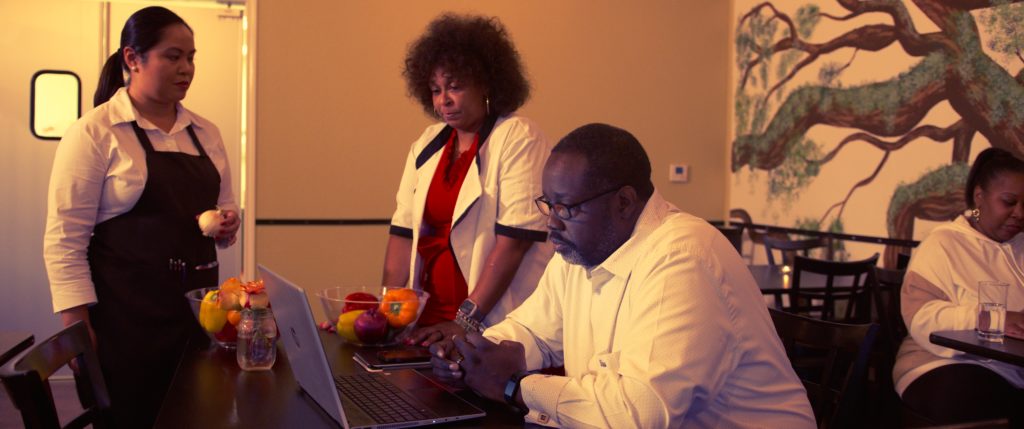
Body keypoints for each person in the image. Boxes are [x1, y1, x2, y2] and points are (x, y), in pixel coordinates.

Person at [429, 124, 816, 428]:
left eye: (566, 208)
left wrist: (514, 386)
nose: (552, 224)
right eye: (549, 205)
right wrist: (476, 354)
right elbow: (533, 331)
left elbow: (639, 413)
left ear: (624, 202)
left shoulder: (683, 258)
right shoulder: (578, 251)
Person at [43, 6, 239, 427]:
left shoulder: (206, 133)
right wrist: (76, 327)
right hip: (125, 325)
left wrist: (228, 224)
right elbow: (64, 241)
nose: (187, 68)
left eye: (191, 57)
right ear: (133, 58)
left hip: (196, 322)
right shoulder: (95, 132)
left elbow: (224, 216)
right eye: (173, 56)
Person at [384, 13, 553, 345]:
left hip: (488, 324)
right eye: (436, 90)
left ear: (486, 83)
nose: (443, 100)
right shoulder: (427, 144)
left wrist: (464, 322)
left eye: (455, 87)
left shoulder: (518, 137)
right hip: (427, 323)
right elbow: (402, 236)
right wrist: (386, 317)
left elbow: (513, 244)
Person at [894, 147, 1024, 424]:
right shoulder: (944, 243)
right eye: (1009, 202)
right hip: (939, 363)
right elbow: (920, 317)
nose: (1019, 213)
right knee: (985, 403)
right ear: (979, 197)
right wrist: (995, 319)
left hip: (1013, 370)